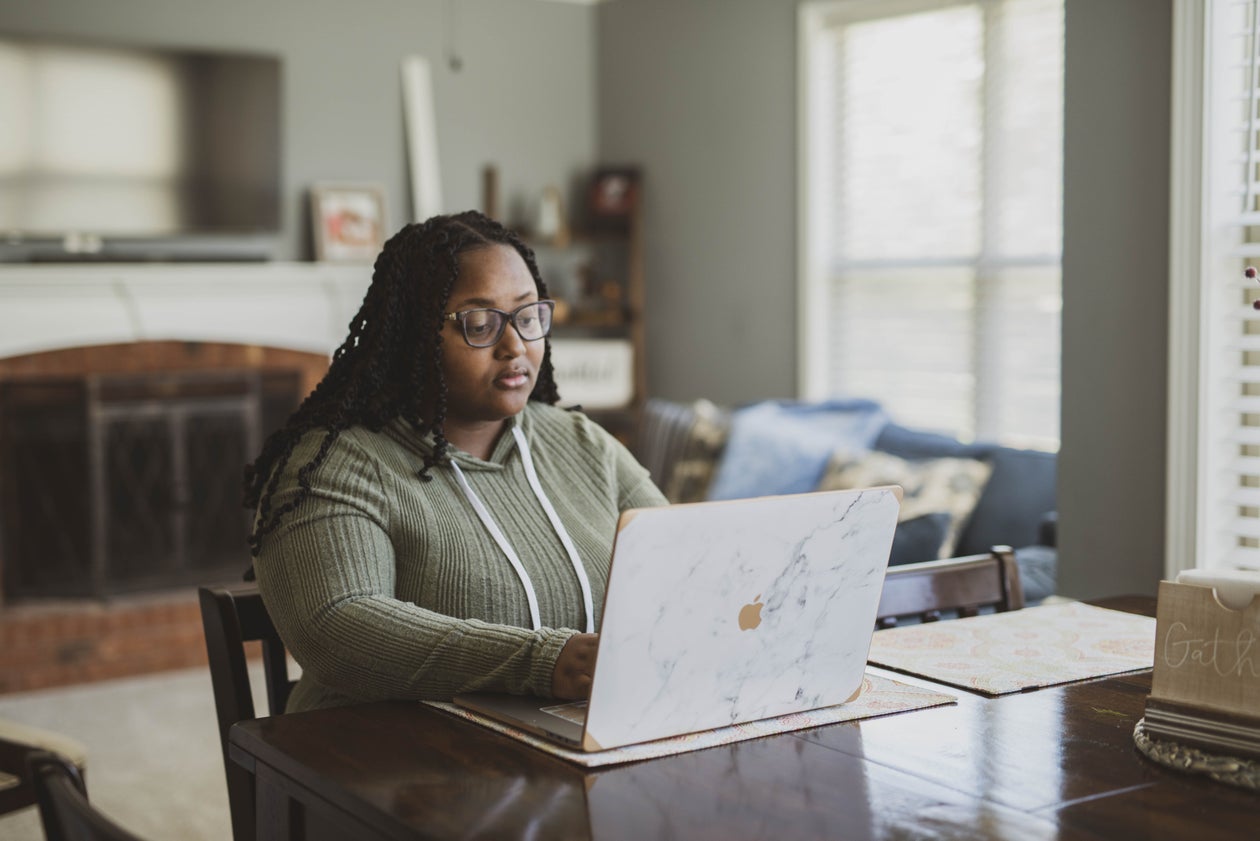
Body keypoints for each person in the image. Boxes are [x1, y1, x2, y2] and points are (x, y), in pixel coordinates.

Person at [243, 211, 667, 712]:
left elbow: (684, 561)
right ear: (413, 335)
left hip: (570, 747)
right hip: (386, 762)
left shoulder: (579, 442)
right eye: (481, 323)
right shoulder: (331, 463)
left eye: (528, 317)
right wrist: (546, 663)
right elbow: (338, 623)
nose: (515, 345)